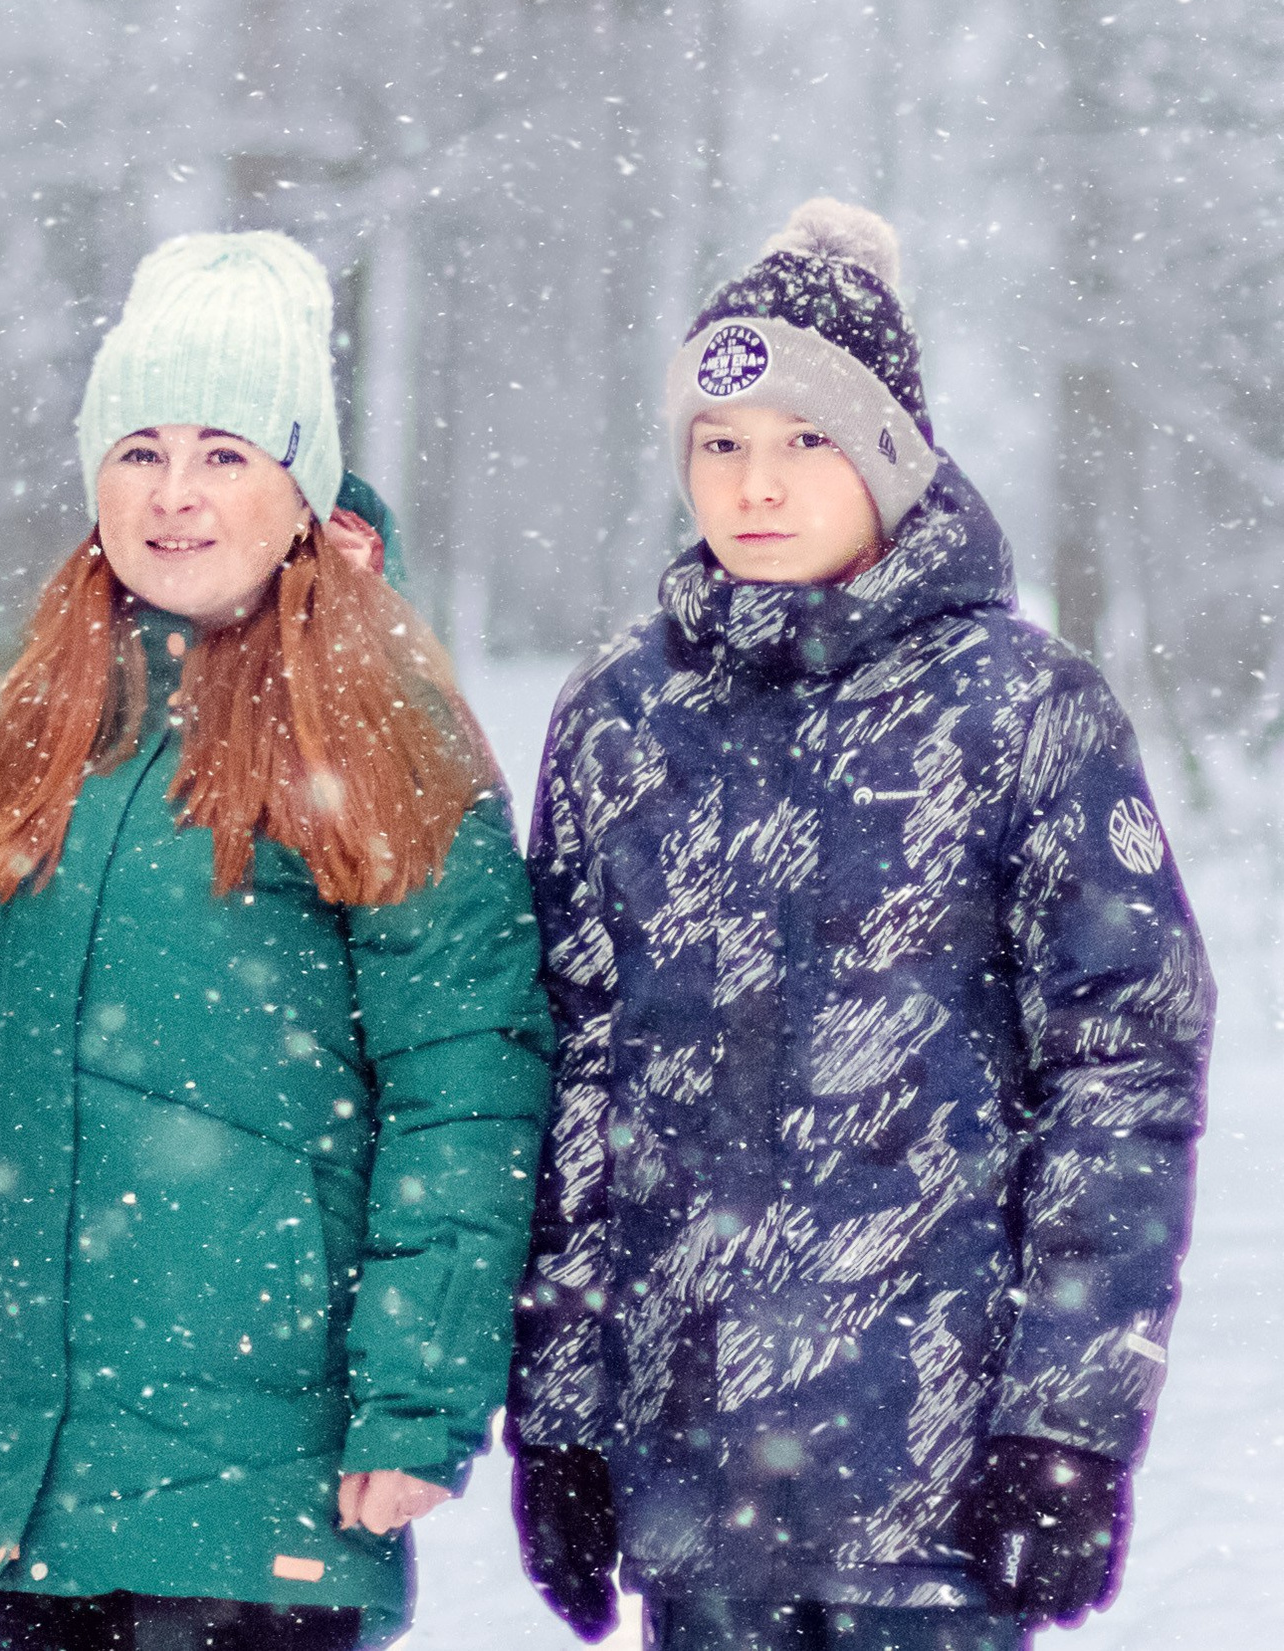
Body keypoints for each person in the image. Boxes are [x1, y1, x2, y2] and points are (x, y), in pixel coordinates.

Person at [0, 231, 554, 1651]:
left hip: (257, 1467)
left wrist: (417, 1395)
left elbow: (466, 1086)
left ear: (300, 478)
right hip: (8, 1447)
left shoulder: (377, 718)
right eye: (141, 448)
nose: (175, 493)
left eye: (226, 451)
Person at [505, 199, 1216, 1651]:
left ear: (890, 458)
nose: (757, 483)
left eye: (805, 440)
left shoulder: (1021, 709)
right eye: (721, 443)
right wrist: (565, 1415)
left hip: (943, 1489)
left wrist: (1067, 1420)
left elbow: (1123, 1075)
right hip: (697, 1498)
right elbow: (571, 1076)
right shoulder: (619, 722)